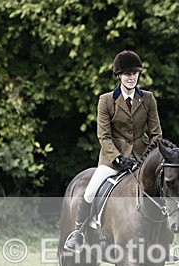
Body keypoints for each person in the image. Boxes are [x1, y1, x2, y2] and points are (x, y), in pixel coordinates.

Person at [64, 50, 163, 252]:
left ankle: (164, 243)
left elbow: (156, 134)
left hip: (141, 159)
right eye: (127, 73)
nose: (132, 77)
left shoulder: (148, 99)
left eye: (135, 73)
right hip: (112, 159)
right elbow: (104, 136)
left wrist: (149, 158)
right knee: (91, 191)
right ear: (119, 75)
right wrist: (118, 159)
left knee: (163, 191)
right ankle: (78, 233)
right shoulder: (106, 100)